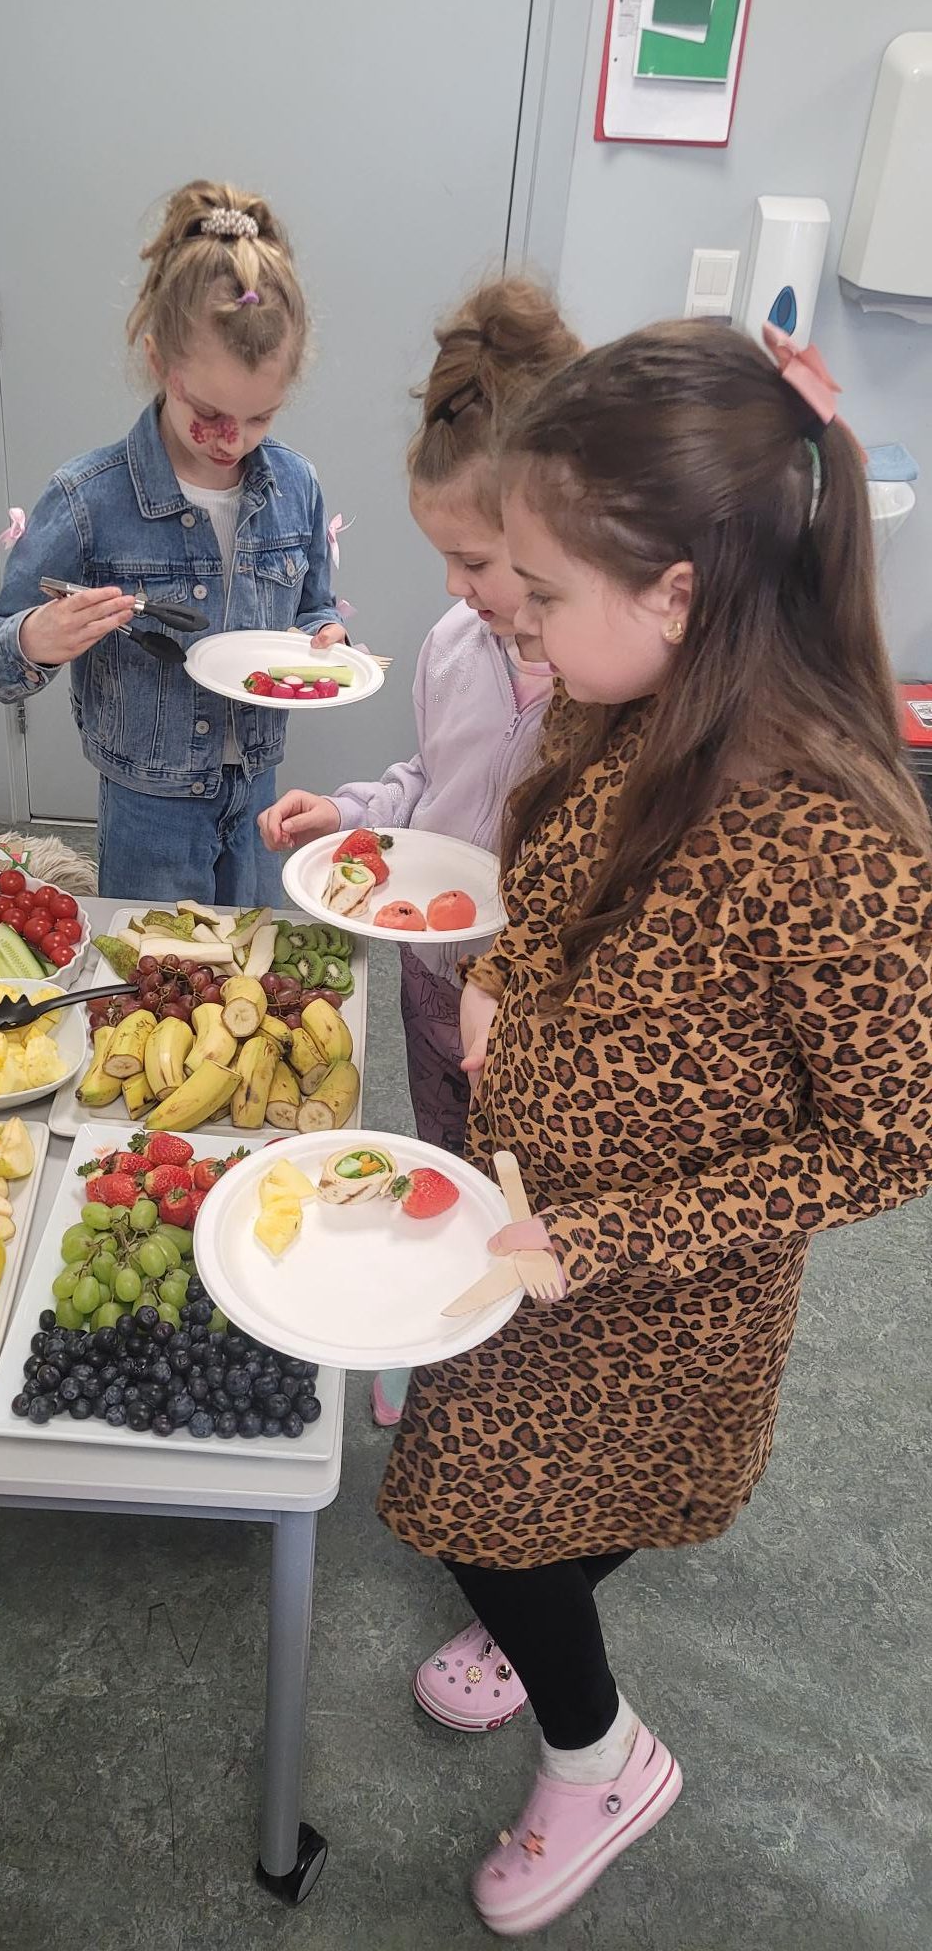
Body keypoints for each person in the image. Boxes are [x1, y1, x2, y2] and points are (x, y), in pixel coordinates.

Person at [377, 318, 932, 1936]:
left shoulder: (834, 841)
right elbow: (547, 870)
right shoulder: (624, 698)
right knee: (503, 1500)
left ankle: (599, 1755)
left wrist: (616, 1232)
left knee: (480, 1502)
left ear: (676, 589)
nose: (515, 621)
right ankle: (538, 1615)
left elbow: (891, 1139)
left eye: (542, 593)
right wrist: (502, 982)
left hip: (649, 1290)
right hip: (536, 1208)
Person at [258, 279, 582, 1426]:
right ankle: (441, 1330)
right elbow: (427, 789)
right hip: (430, 970)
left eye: (478, 561)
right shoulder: (453, 642)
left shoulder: (602, 689)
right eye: (444, 557)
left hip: (537, 1008)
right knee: (440, 1148)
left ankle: (508, 1364)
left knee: (528, 1187)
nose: (454, 587)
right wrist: (351, 814)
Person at [0, 180, 346, 901]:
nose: (232, 439)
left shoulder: (295, 486)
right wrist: (38, 638)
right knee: (151, 958)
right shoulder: (88, 499)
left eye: (260, 418)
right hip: (148, 806)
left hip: (259, 793)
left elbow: (313, 609)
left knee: (254, 954)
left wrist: (325, 638)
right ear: (157, 361)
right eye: (209, 410)